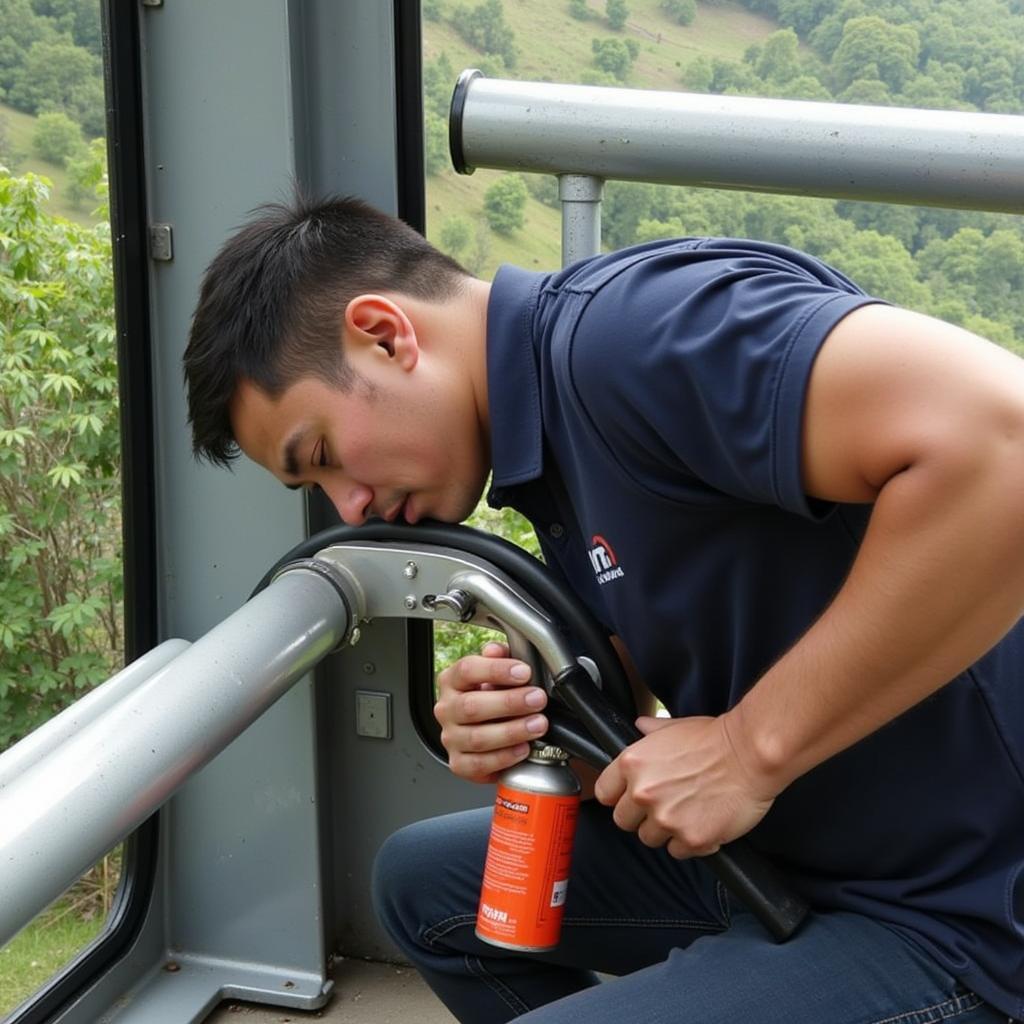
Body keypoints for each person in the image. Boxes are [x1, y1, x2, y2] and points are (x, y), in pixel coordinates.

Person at [183, 194, 1024, 1024]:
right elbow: (651, 720)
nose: (350, 507)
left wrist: (748, 749)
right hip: (790, 854)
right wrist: (537, 725)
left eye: (323, 455)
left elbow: (1001, 443)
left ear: (385, 335)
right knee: (425, 889)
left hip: (962, 908)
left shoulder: (632, 338)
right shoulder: (543, 445)